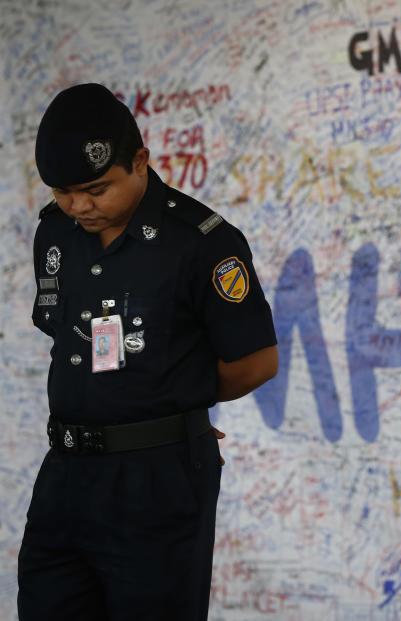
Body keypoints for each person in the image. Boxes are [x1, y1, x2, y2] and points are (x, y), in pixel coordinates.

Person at [19, 82, 279, 620]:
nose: (79, 206)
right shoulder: (55, 236)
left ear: (140, 160)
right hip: (64, 475)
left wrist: (178, 408)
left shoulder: (203, 242)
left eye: (95, 188)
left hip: (156, 482)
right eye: (62, 192)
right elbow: (72, 345)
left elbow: (256, 361)